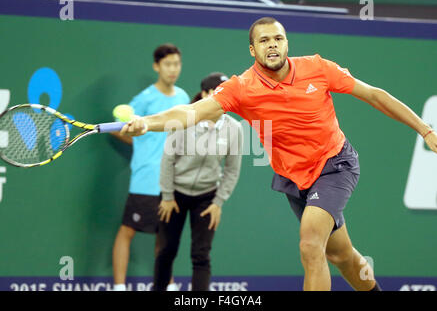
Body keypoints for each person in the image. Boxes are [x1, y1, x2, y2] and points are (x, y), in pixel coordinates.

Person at [120, 17, 437, 291]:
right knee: (341, 255)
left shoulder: (318, 68)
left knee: (310, 245)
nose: (272, 45)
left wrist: (425, 130)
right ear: (252, 50)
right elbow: (191, 112)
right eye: (263, 41)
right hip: (293, 178)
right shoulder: (241, 87)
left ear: (287, 43)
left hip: (334, 164)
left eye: (278, 38)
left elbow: (374, 96)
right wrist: (146, 123)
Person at [153, 72, 243, 291]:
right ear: (205, 94)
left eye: (227, 94)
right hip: (174, 195)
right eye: (218, 93)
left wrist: (218, 202)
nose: (225, 99)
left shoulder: (235, 129)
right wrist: (166, 196)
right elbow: (167, 160)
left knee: (201, 255)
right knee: (167, 251)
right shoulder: (184, 120)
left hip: (207, 198)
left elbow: (232, 170)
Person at [111, 43, 190, 291]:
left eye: (176, 63)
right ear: (157, 66)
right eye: (167, 64)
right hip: (146, 177)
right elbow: (119, 127)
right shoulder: (145, 99)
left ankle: (167, 284)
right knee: (127, 231)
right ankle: (120, 287)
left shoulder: (184, 98)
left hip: (173, 180)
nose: (173, 69)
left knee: (165, 235)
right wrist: (142, 145)